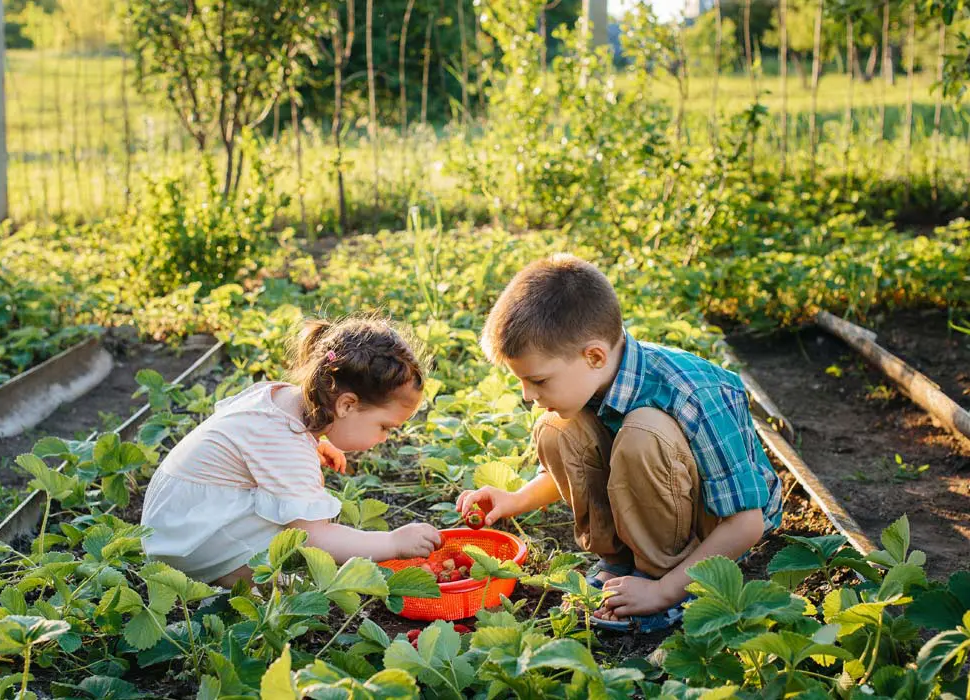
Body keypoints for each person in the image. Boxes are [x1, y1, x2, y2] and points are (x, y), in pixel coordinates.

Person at [457, 254, 782, 632]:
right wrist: (514, 499)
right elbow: (579, 468)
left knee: (644, 432)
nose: (528, 395)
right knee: (558, 428)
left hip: (719, 529)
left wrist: (664, 590)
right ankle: (621, 563)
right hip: (661, 505)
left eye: (539, 381)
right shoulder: (592, 378)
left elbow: (746, 524)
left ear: (594, 355)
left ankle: (667, 579)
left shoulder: (693, 392)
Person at [141, 316, 441, 587]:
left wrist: (317, 443)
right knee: (294, 530)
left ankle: (234, 567)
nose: (386, 438)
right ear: (347, 405)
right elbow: (316, 538)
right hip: (186, 546)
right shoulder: (287, 442)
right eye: (384, 427)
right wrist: (392, 542)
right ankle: (236, 575)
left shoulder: (280, 398)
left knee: (284, 504)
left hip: (172, 523)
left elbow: (251, 445)